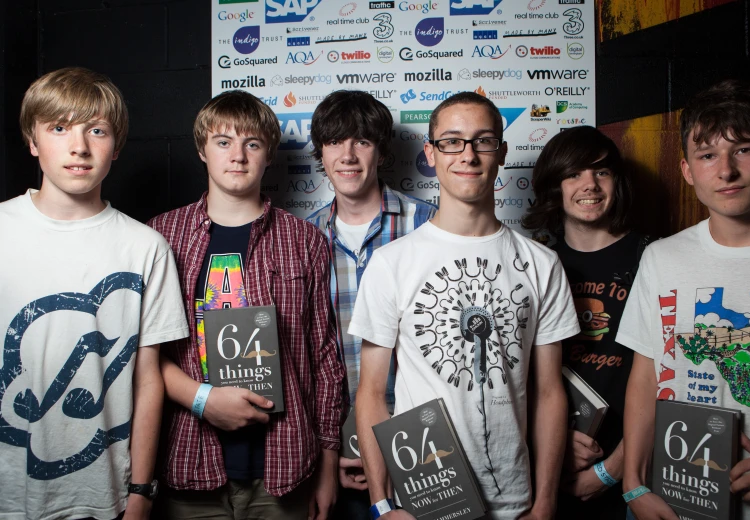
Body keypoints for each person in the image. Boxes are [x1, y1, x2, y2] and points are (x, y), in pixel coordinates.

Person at [351, 92, 580, 520]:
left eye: (483, 141)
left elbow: (549, 393)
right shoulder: (391, 263)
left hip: (516, 502)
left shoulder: (542, 263)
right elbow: (371, 395)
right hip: (425, 502)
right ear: (431, 154)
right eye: (452, 141)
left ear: (502, 152)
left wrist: (546, 502)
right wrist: (381, 505)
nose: (468, 155)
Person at [147, 90, 346, 520]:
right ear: (202, 149)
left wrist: (329, 462)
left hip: (285, 466)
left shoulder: (305, 241)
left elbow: (325, 357)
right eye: (223, 142)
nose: (237, 156)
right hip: (189, 461)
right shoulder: (160, 237)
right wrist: (202, 399)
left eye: (252, 144)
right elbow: (144, 354)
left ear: (269, 155)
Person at [0, 67, 189, 519]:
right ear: (32, 140)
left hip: (104, 495)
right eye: (59, 128)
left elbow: (148, 380)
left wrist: (142, 492)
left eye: (97, 130)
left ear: (116, 146)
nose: (79, 146)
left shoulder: (146, 247)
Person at [618, 80, 750, 520]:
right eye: (708, 155)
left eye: (744, 149)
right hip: (678, 505)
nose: (725, 171)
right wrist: (634, 484)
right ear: (688, 170)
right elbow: (647, 373)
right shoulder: (661, 257)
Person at [305, 90, 436, 519]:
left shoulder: (429, 225)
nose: (347, 155)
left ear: (380, 152)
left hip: (430, 441)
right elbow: (303, 356)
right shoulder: (302, 239)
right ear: (320, 153)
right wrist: (335, 448)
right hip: (333, 447)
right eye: (334, 142)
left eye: (361, 141)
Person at [524, 125, 648, 519]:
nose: (589, 185)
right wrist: (550, 443)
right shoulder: (536, 263)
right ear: (553, 187)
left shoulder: (654, 258)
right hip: (549, 465)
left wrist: (611, 471)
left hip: (635, 466)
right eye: (573, 174)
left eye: (601, 172)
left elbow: (669, 379)